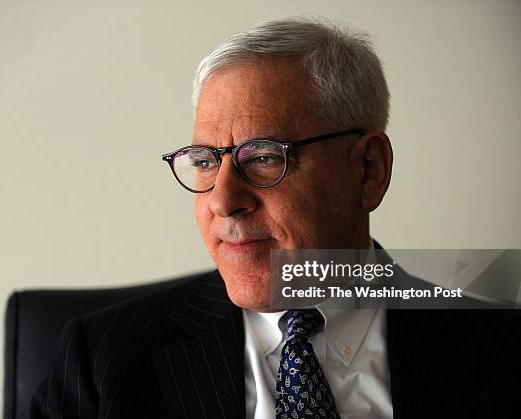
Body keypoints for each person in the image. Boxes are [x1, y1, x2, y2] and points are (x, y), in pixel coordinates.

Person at [31, 17, 520, 418]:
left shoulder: (500, 352)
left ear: (368, 170)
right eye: (204, 161)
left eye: (265, 157)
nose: (223, 201)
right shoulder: (100, 362)